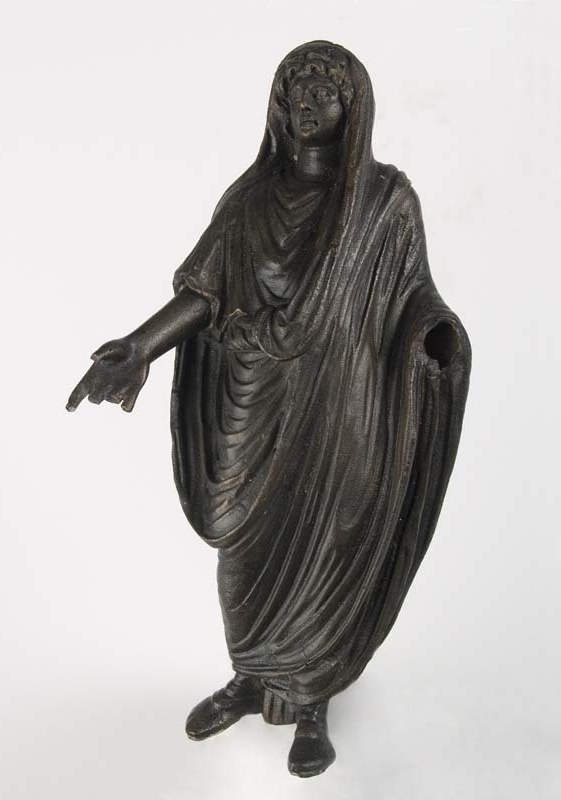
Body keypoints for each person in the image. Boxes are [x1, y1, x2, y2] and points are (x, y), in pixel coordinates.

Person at [68, 41, 471, 778]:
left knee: (328, 543)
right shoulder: (250, 199)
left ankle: (311, 702)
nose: (308, 105)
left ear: (354, 106)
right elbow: (205, 292)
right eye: (296, 93)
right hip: (251, 401)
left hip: (341, 405)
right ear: (279, 107)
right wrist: (139, 346)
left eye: (324, 93)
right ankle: (249, 676)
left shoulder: (384, 202)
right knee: (241, 548)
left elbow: (414, 294)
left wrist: (434, 337)